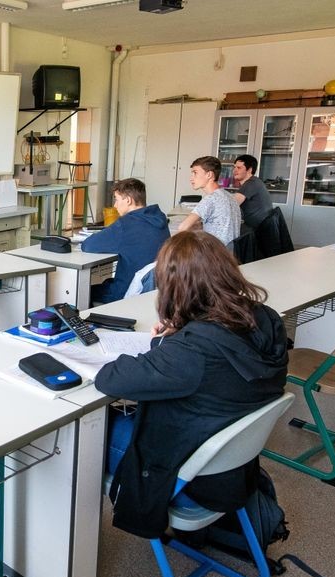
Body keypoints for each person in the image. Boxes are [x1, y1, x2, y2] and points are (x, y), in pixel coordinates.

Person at [94, 231, 288, 538]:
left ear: (175, 287)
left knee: (88, 433)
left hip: (191, 477)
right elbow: (221, 352)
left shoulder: (191, 352)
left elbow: (110, 379)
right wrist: (181, 330)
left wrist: (166, 342)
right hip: (234, 470)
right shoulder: (267, 319)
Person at [81, 178, 169, 305]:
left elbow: (88, 245)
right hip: (155, 292)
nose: (115, 205)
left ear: (128, 200)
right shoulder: (160, 219)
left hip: (126, 292)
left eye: (116, 199)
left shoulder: (125, 225)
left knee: (82, 292)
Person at [177, 155, 242, 246]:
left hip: (214, 254)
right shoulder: (230, 196)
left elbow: (182, 228)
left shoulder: (211, 199)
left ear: (209, 175)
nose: (191, 178)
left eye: (195, 173)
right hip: (229, 254)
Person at [232, 154, 273, 230]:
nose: (234, 170)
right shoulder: (254, 181)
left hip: (256, 231)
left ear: (249, 170)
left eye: (239, 168)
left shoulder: (251, 183)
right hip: (259, 227)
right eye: (234, 167)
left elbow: (231, 204)